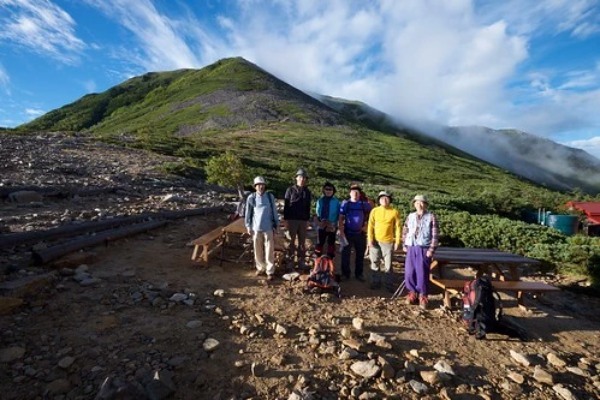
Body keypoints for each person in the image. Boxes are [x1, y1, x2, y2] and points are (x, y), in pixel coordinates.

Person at [402, 194, 439, 309]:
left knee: (422, 272)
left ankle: (423, 295)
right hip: (411, 247)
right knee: (409, 271)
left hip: (424, 248)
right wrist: (404, 244)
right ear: (414, 204)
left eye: (422, 202)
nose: (419, 204)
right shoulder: (410, 216)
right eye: (417, 202)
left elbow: (435, 235)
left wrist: (431, 249)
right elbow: (405, 230)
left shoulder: (431, 217)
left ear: (426, 204)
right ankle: (412, 292)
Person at [245, 176, 280, 281]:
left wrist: (276, 224)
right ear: (255, 186)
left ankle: (270, 270)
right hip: (256, 228)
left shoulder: (270, 197)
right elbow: (248, 213)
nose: (261, 186)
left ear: (265, 186)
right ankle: (260, 268)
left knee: (269, 249)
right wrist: (248, 225)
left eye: (262, 185)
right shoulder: (251, 198)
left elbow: (274, 211)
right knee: (257, 249)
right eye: (258, 185)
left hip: (268, 227)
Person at [367, 191, 401, 291]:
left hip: (388, 242)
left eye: (387, 198)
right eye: (382, 198)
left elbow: (398, 228)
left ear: (390, 200)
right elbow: (370, 226)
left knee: (388, 266)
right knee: (374, 263)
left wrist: (397, 241)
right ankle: (375, 283)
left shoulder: (394, 211)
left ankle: (389, 285)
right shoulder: (374, 211)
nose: (384, 200)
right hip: (375, 241)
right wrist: (370, 240)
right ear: (379, 200)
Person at [338, 184, 372, 281]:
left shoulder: (364, 204)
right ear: (350, 193)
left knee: (360, 254)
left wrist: (366, 225)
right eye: (353, 191)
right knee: (345, 254)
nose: (355, 193)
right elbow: (340, 218)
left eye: (357, 192)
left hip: (360, 233)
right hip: (347, 233)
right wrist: (341, 230)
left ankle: (359, 274)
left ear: (360, 194)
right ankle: (345, 274)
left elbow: (372, 213)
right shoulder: (345, 203)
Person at [283, 168, 312, 270]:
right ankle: (290, 261)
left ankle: (301, 262)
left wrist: (308, 220)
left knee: (302, 243)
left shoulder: (307, 192)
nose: (302, 179)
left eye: (304, 177)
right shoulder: (290, 190)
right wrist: (285, 219)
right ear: (296, 178)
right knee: (291, 241)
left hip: (303, 220)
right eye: (300, 177)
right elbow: (286, 206)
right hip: (292, 219)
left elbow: (308, 207)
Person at [314, 182, 340, 258]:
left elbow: (338, 213)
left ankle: (330, 257)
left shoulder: (336, 202)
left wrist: (336, 225)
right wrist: (320, 222)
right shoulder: (320, 201)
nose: (328, 191)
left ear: (333, 191)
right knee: (320, 241)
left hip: (332, 224)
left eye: (330, 189)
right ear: (324, 190)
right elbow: (317, 212)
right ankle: (317, 256)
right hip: (322, 223)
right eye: (327, 189)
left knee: (331, 242)